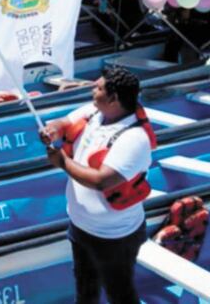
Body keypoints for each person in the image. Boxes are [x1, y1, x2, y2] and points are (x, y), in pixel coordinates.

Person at [40, 66, 156, 304]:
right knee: (85, 289)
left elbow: (101, 180)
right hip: (81, 226)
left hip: (113, 237)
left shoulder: (134, 139)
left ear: (113, 98)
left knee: (120, 294)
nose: (93, 89)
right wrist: (54, 129)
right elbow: (65, 122)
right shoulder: (95, 111)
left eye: (99, 88)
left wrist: (62, 162)